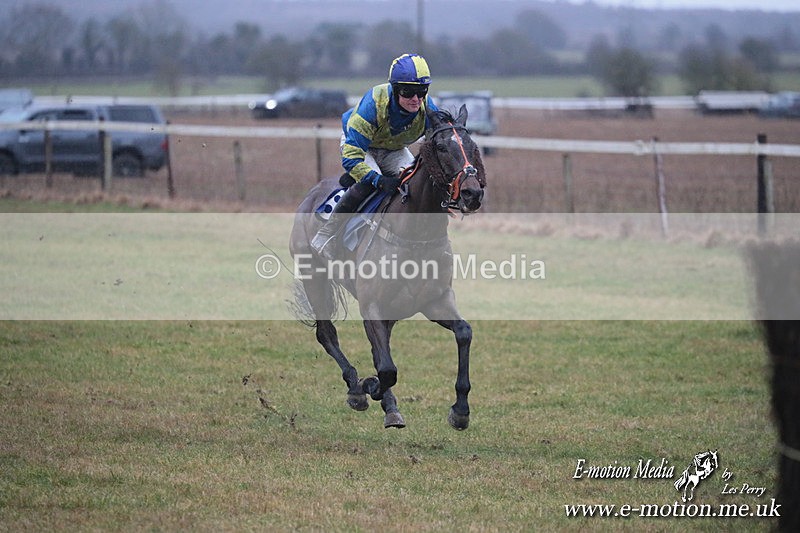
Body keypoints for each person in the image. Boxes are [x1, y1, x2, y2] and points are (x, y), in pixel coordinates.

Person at [310, 53, 439, 260]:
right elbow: (352, 157)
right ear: (396, 90)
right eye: (408, 91)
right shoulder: (374, 103)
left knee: (414, 183)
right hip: (362, 146)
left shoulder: (427, 108)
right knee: (369, 182)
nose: (416, 99)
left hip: (393, 149)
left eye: (422, 91)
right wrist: (378, 180)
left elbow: (440, 140)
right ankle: (326, 235)